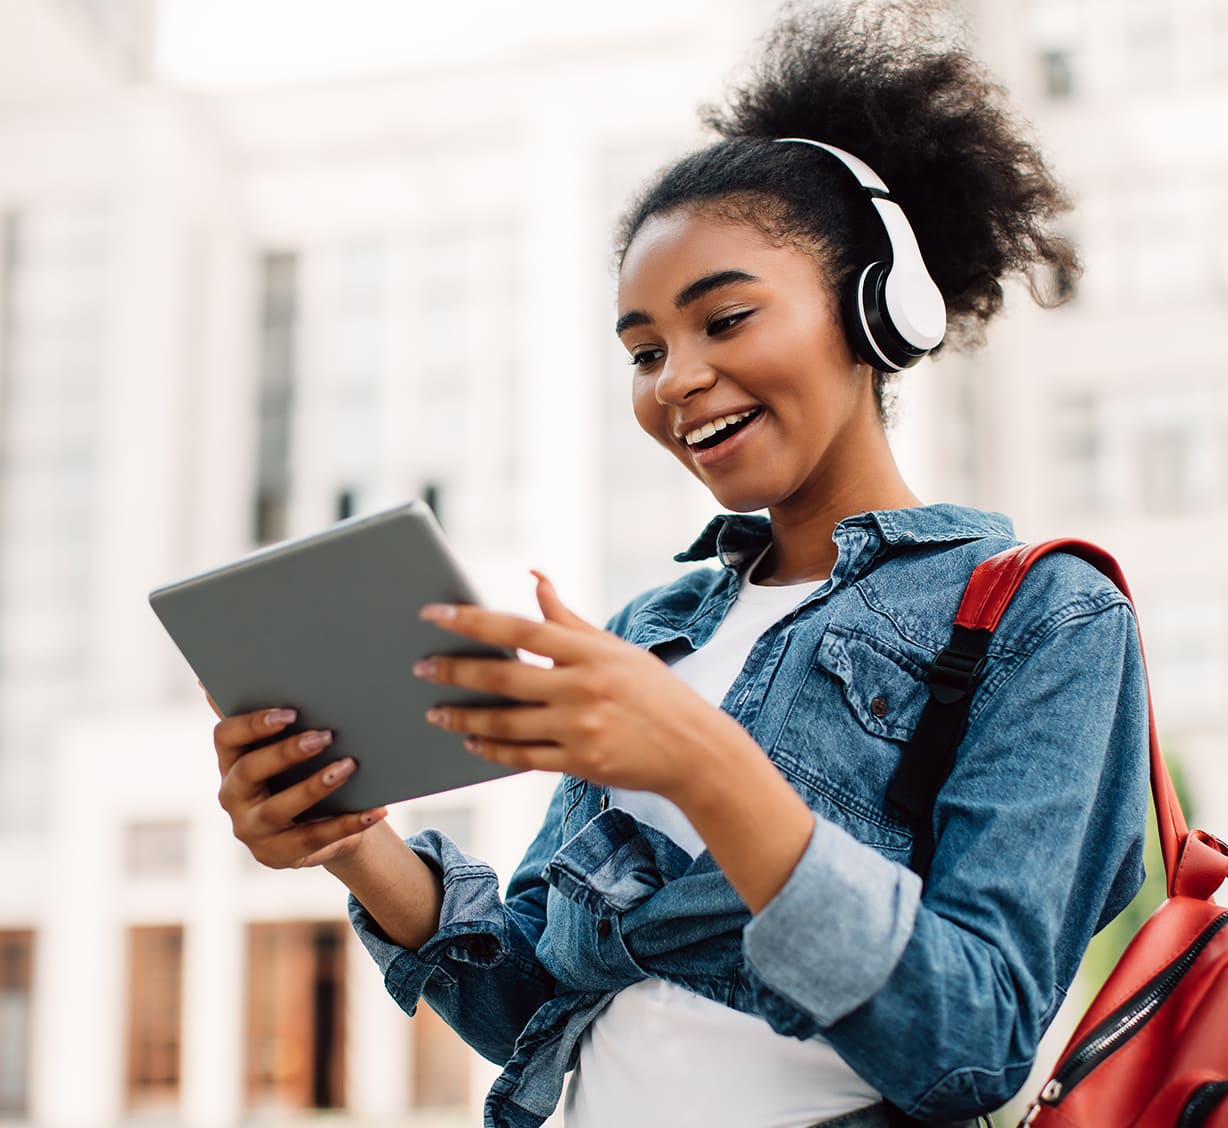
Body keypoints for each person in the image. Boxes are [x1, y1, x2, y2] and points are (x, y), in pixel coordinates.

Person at [212, 3, 1149, 1125]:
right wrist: (354, 842)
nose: (675, 380)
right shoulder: (657, 631)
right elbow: (533, 1008)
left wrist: (703, 762)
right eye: (645, 351)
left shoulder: (1044, 615)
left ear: (872, 311)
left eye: (726, 320)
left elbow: (973, 1043)